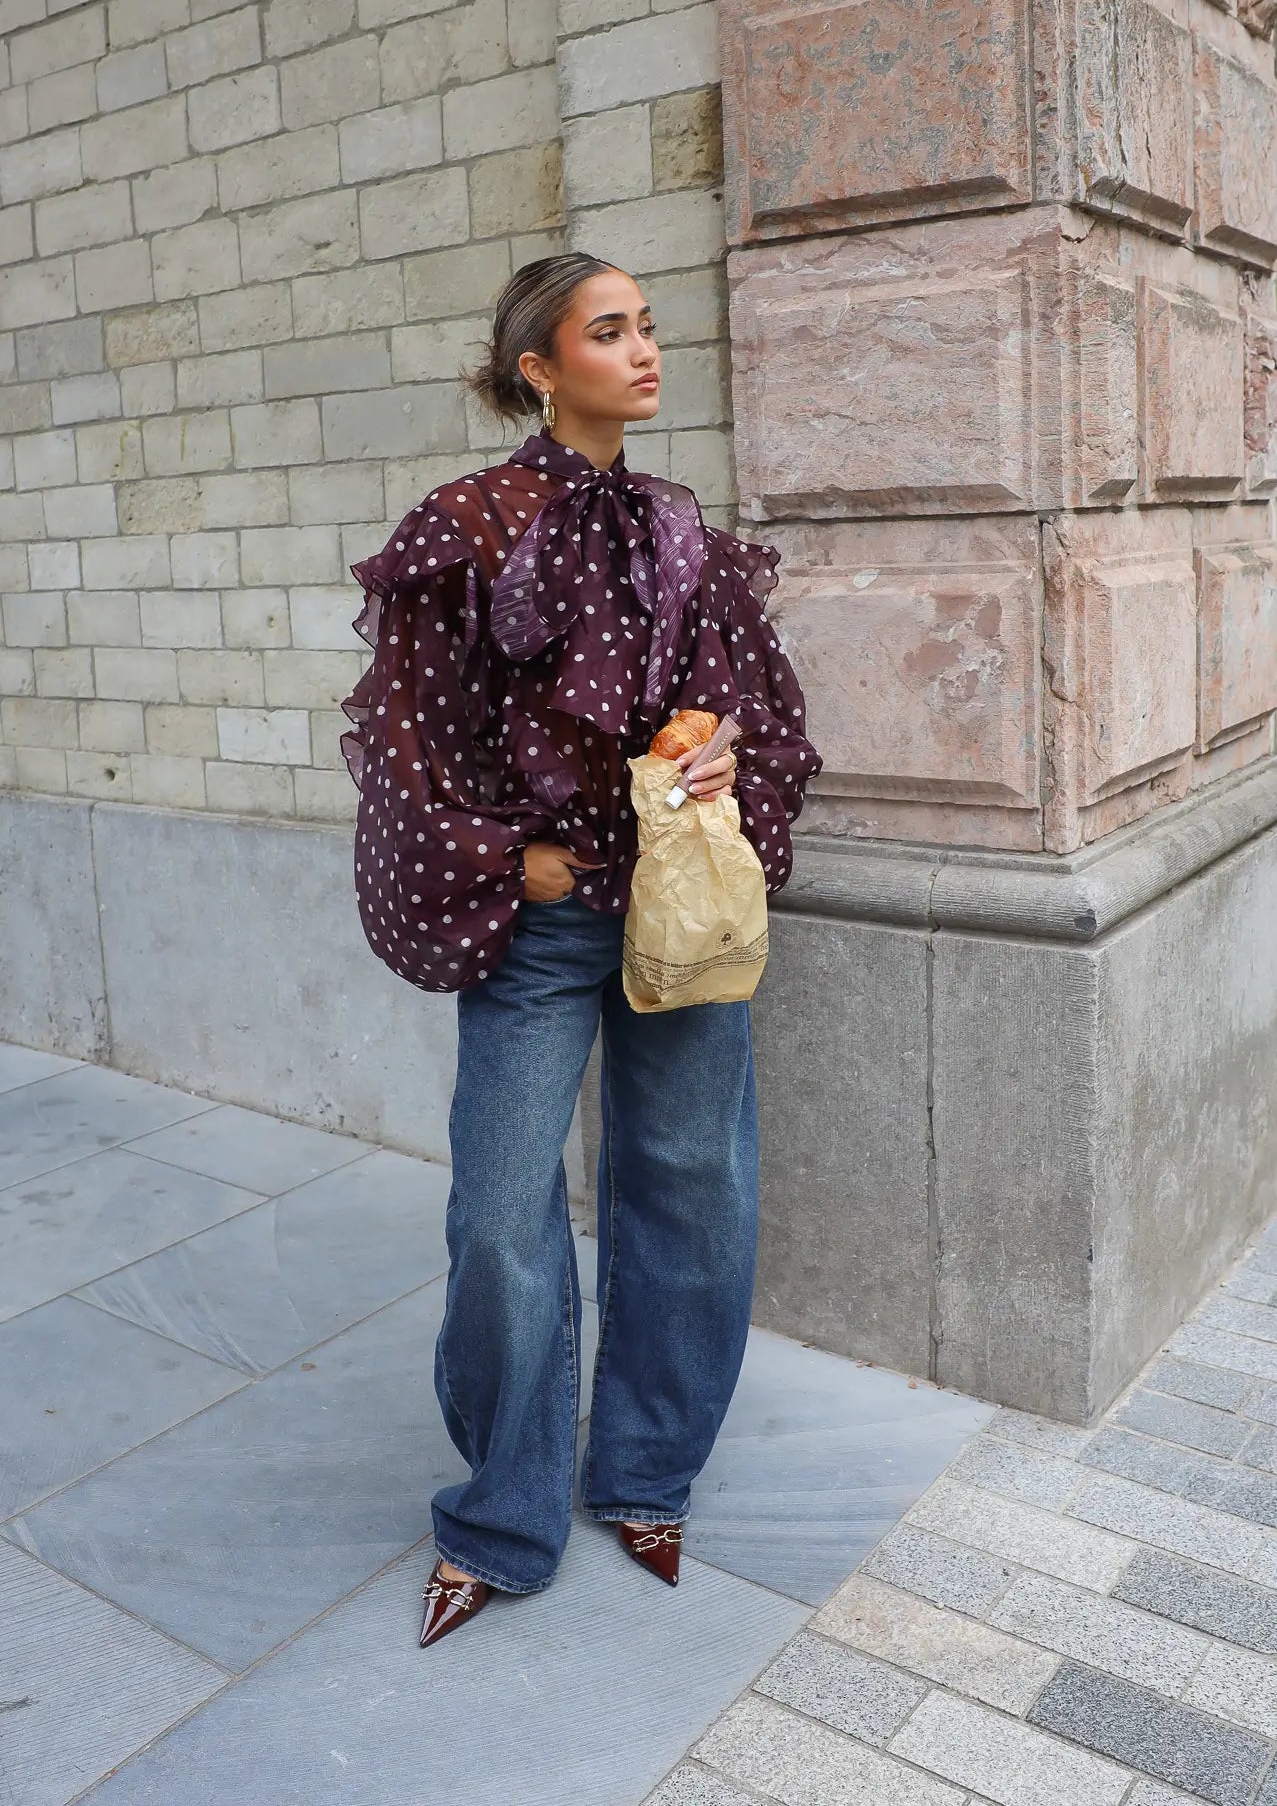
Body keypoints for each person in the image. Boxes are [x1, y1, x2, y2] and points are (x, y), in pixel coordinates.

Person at [339, 252, 822, 1648]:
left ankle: (649, 1471)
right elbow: (405, 743)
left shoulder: (682, 527)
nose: (645, 351)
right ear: (537, 367)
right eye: (609, 332)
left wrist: (723, 764)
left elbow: (753, 714)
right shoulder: (467, 525)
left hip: (675, 913)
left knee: (689, 1187)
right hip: (539, 925)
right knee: (499, 1214)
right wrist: (509, 859)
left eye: (648, 327)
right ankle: (500, 1515)